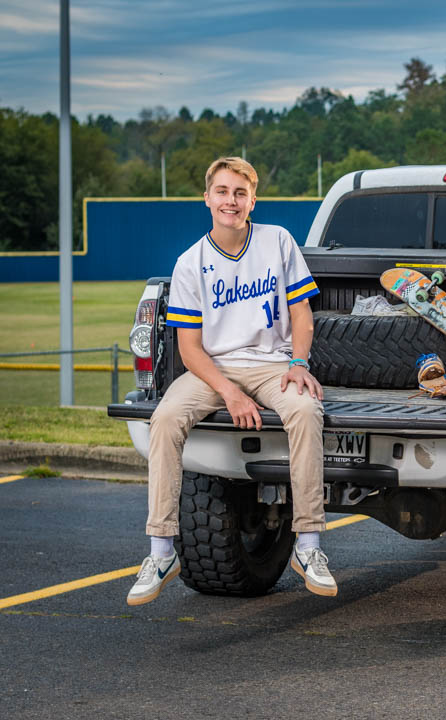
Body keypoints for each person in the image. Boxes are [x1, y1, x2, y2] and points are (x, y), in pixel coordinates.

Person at [127, 157, 335, 605]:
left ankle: (309, 546)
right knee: (163, 419)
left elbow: (302, 312)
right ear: (207, 199)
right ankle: (161, 550)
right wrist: (228, 392)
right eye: (222, 192)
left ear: (252, 200)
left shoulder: (277, 241)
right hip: (211, 370)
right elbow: (190, 351)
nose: (231, 201)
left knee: (304, 410)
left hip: (273, 364)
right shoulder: (190, 263)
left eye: (240, 193)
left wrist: (299, 362)